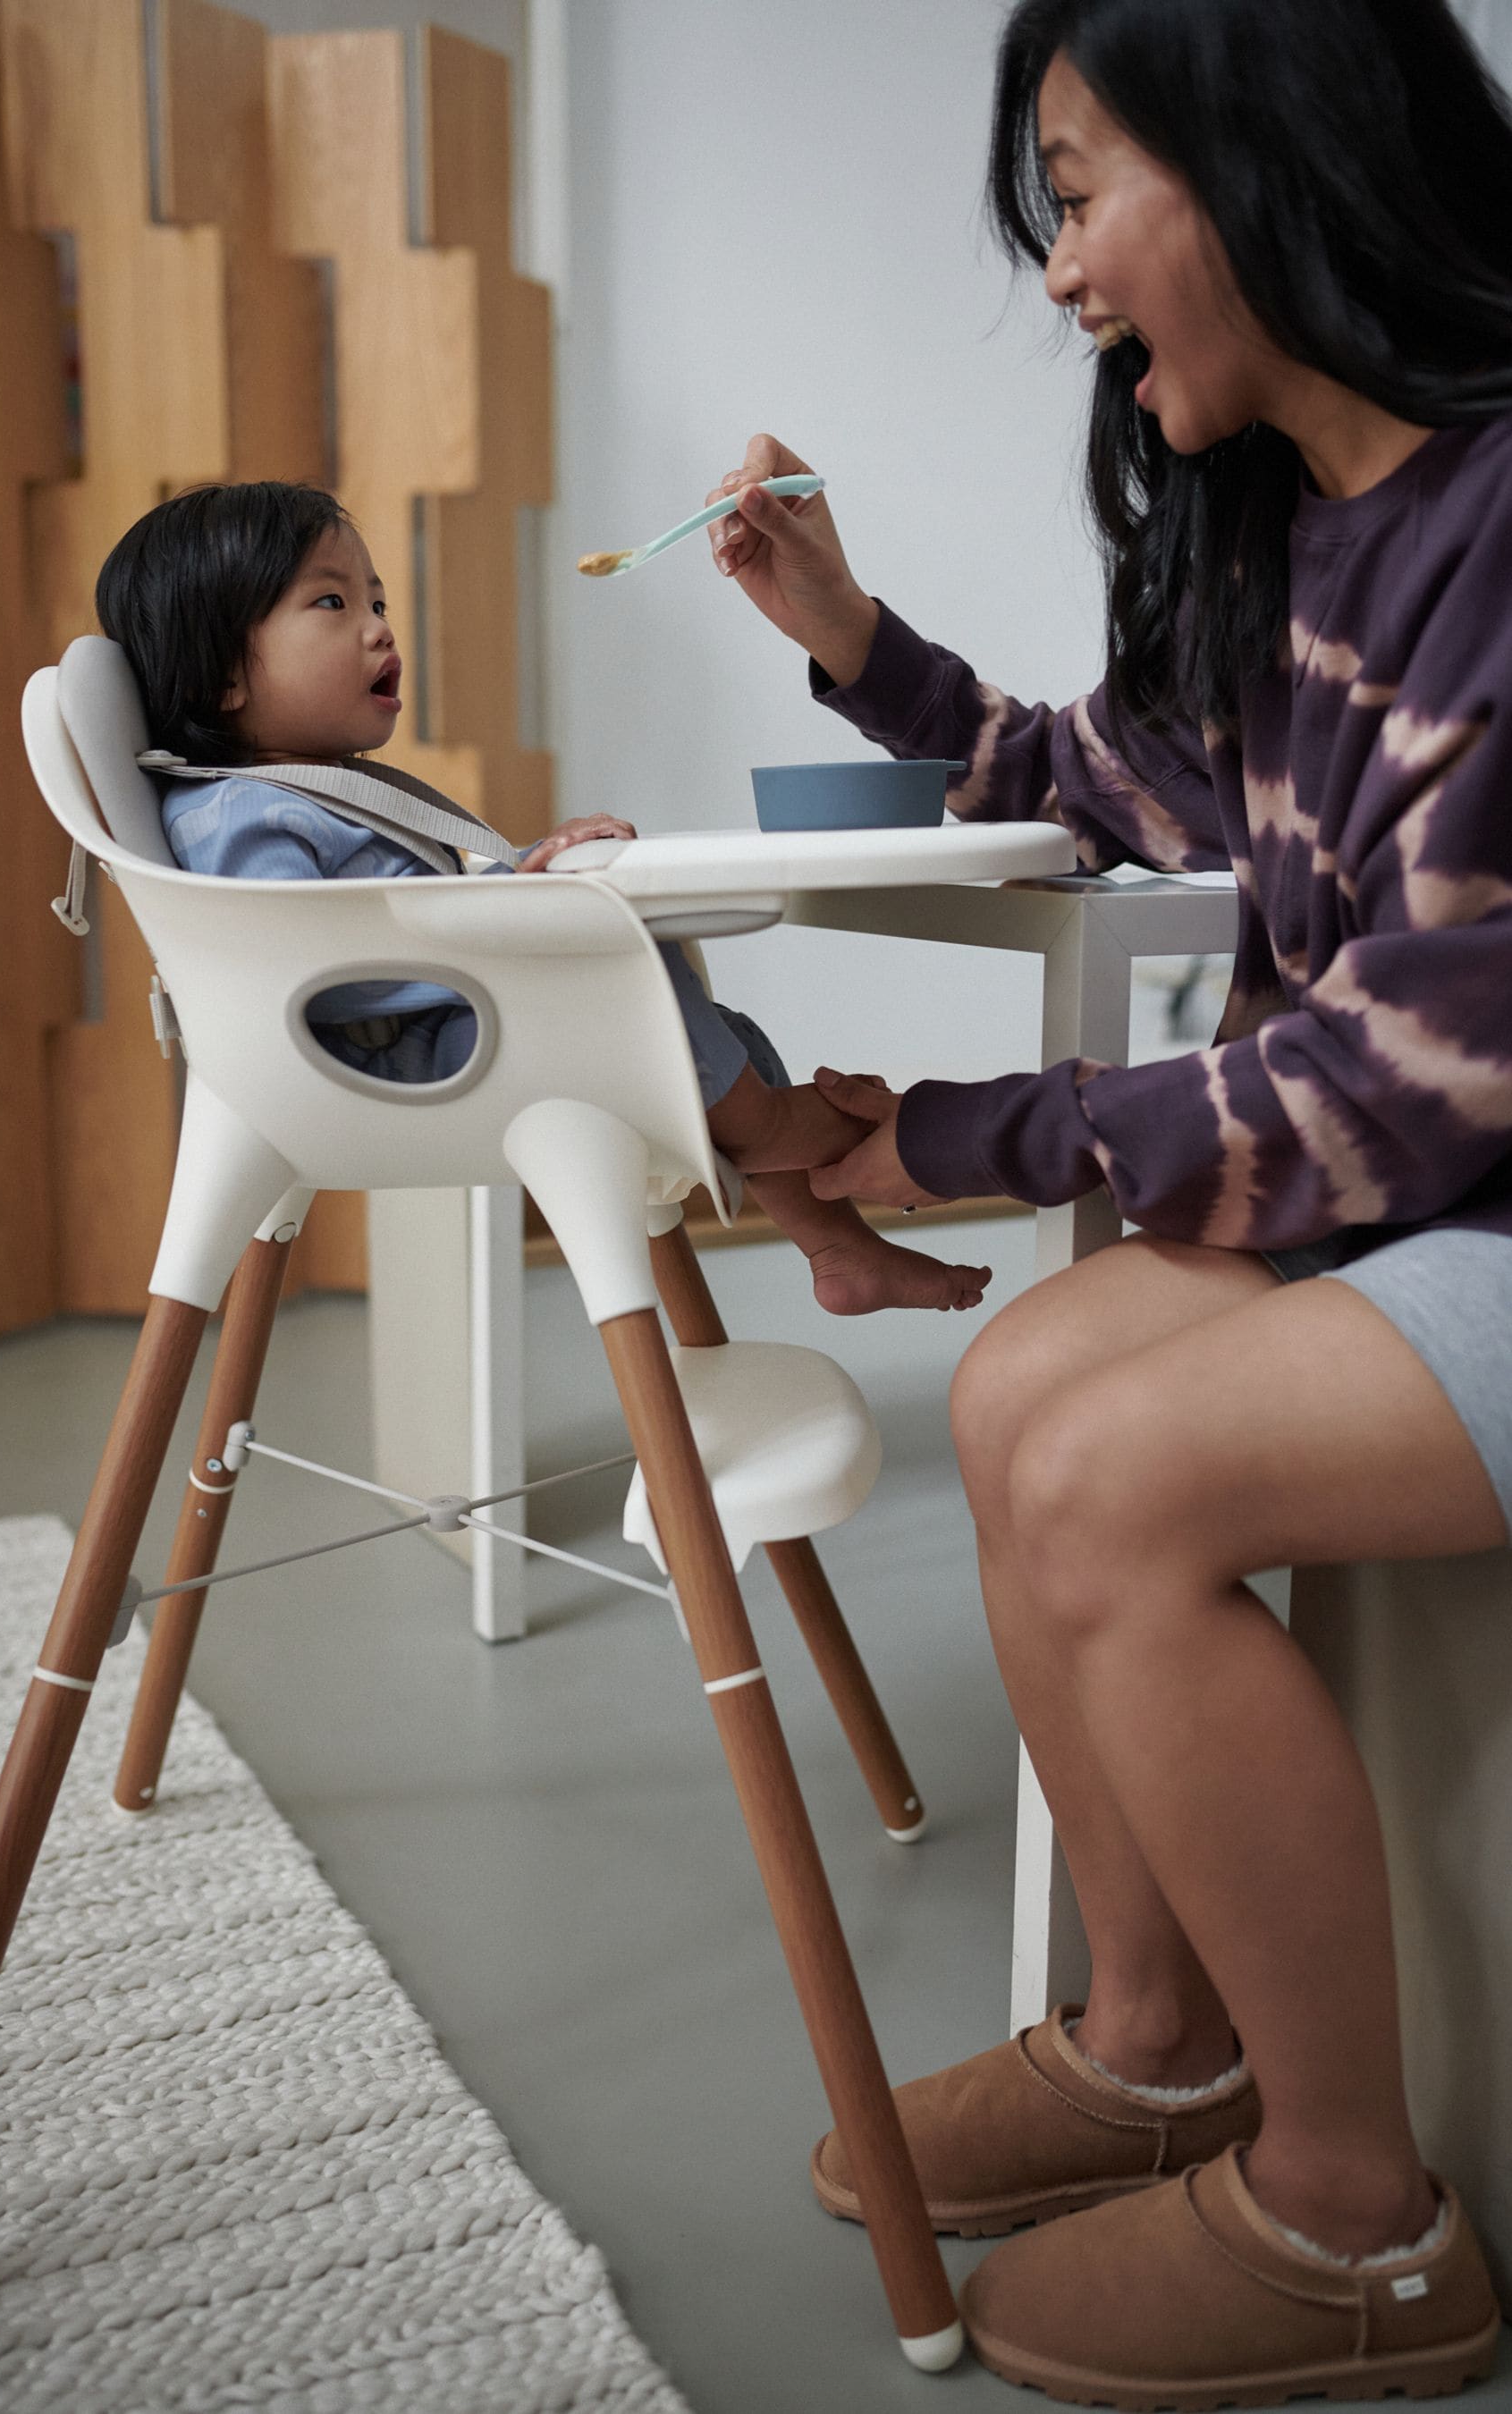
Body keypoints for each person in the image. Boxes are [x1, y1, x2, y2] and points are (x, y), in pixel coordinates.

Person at [705, 0, 1511, 2399]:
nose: (1057, 269)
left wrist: (947, 1131)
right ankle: (1162, 2040)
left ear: (1274, 163)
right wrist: (847, 635)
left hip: (1467, 1182)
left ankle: (1361, 2223)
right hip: (1451, 1198)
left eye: (1078, 187)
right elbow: (1115, 777)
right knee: (1031, 1377)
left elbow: (1403, 1084)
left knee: (1111, 1454)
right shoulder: (1302, 537)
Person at [94, 482, 992, 1318]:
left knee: (723, 1031)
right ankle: (788, 1128)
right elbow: (311, 965)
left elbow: (409, 914)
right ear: (223, 679)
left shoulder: (309, 790)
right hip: (389, 1073)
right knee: (626, 998)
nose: (377, 630)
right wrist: (506, 910)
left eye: (376, 602)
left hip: (445, 1035)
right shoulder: (237, 814)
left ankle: (835, 1246)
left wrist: (524, 872)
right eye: (332, 603)